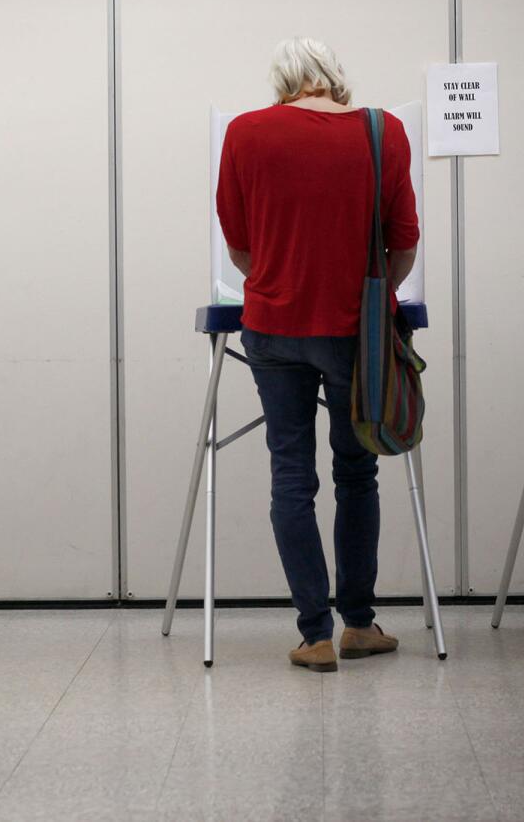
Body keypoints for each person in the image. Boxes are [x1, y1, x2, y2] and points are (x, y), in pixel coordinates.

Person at [216, 36, 419, 673]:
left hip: (272, 329)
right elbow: (403, 244)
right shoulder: (383, 132)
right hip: (355, 332)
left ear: (283, 82)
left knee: (291, 479)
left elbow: (239, 247)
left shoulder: (246, 132)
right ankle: (359, 623)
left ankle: (314, 635)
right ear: (334, 77)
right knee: (357, 474)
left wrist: (280, 277)